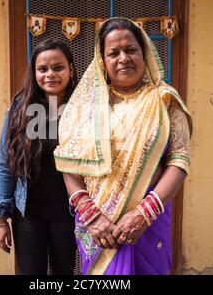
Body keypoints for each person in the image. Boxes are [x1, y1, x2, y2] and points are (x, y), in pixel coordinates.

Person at [53, 18, 193, 275]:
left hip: (148, 223)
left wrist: (145, 213)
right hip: (97, 228)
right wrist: (91, 215)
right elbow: (69, 163)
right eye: (113, 53)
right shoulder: (86, 107)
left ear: (144, 53)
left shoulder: (165, 101)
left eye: (130, 50)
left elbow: (179, 160)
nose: (123, 58)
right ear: (102, 61)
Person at [0, 39, 79, 275]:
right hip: (28, 213)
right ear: (35, 73)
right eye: (43, 69)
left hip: (68, 213)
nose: (50, 74)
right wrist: (0, 220)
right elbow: (5, 164)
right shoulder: (20, 110)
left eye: (58, 67)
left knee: (64, 273)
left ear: (70, 68)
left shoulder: (84, 110)